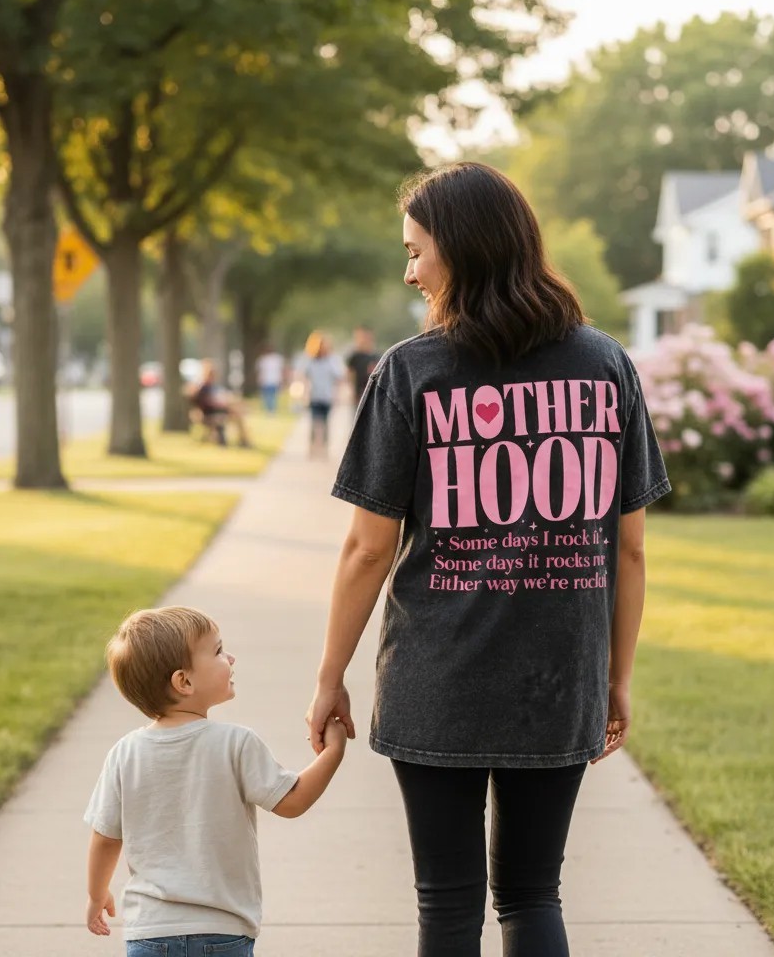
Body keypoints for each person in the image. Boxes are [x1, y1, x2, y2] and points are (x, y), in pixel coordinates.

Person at [305, 162, 671, 957]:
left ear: (462, 249)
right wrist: (615, 676)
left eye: (415, 251)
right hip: (559, 676)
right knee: (535, 896)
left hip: (436, 677)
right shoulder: (606, 367)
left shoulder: (410, 372)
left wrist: (329, 676)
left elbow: (369, 549)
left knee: (446, 908)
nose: (408, 271)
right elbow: (630, 548)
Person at [84, 605, 348, 954]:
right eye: (219, 651)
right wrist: (333, 752)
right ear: (184, 681)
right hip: (221, 931)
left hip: (149, 932)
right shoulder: (235, 743)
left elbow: (105, 837)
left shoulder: (124, 753)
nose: (232, 658)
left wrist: (97, 893)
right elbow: (292, 801)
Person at [302, 330, 345, 459]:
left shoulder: (332, 360)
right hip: (314, 396)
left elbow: (339, 377)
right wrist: (304, 393)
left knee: (325, 423)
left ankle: (323, 448)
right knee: (315, 422)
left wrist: (338, 395)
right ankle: (313, 446)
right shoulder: (310, 360)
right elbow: (304, 376)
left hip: (327, 396)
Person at [190, 360, 252, 447]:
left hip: (217, 411)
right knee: (236, 415)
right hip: (210, 413)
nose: (214, 376)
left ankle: (244, 440)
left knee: (238, 415)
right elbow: (208, 403)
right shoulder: (203, 388)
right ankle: (244, 441)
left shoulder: (211, 386)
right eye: (212, 373)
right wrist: (223, 403)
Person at [345, 325, 381, 407]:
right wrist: (352, 391)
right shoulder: (355, 356)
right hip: (359, 392)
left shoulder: (376, 356)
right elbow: (350, 373)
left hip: (372, 392)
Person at [255, 345, 285, 414]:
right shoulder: (264, 359)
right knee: (269, 396)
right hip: (269, 380)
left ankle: (271, 410)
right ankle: (270, 410)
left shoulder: (267, 359)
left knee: (271, 396)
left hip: (273, 380)